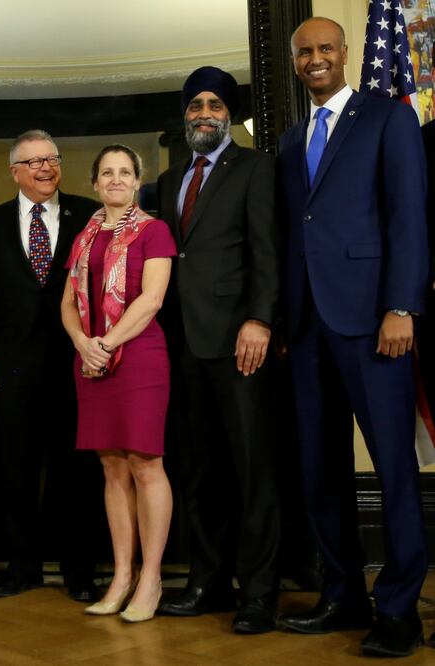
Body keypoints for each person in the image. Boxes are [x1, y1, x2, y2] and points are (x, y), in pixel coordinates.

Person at [276, 18, 429, 658]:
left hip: (373, 322)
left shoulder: (388, 118)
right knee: (320, 470)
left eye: (324, 49)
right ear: (295, 62)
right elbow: (295, 232)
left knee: (393, 467)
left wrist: (401, 305)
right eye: (303, 52)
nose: (315, 59)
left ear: (346, 54)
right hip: (307, 329)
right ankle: (343, 595)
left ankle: (398, 610)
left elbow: (408, 215)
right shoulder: (287, 142)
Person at [155, 66, 281, 634]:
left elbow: (267, 251)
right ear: (185, 113)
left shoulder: (256, 168)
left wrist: (259, 319)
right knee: (198, 469)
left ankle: (258, 593)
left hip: (239, 343)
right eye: (195, 105)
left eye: (214, 104)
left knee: (252, 470)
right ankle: (208, 582)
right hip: (181, 342)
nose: (204, 112)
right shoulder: (171, 176)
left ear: (230, 113)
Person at [0, 129, 100, 602]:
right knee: (15, 470)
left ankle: (79, 570)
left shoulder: (89, 215)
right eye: (35, 162)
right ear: (15, 172)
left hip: (76, 365)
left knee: (77, 472)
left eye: (52, 159)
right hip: (12, 367)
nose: (46, 168)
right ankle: (20, 565)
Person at [61, 145, 176, 623]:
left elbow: (151, 300)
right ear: (94, 183)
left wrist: (104, 344)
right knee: (111, 468)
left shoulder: (154, 230)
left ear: (137, 181)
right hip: (90, 358)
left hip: (139, 357)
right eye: (106, 171)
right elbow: (68, 302)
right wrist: (82, 343)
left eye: (124, 172)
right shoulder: (85, 236)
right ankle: (122, 575)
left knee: (145, 464)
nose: (115, 179)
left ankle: (151, 578)